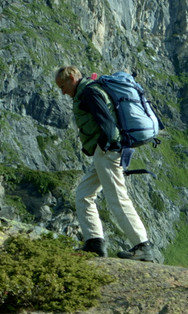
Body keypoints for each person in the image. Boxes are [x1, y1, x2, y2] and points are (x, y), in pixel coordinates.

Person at [54, 66, 156, 262]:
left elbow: (107, 123)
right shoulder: (88, 91)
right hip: (105, 152)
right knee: (84, 194)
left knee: (117, 197)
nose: (63, 91)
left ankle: (143, 246)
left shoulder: (90, 92)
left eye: (63, 85)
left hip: (108, 151)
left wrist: (107, 146)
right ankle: (94, 244)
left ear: (73, 78)